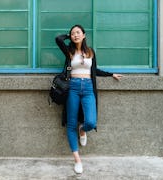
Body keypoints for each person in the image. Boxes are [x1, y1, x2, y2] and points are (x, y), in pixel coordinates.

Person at [55, 24, 123, 174]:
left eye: (78, 33)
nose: (75, 35)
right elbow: (58, 39)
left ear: (84, 35)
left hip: (87, 88)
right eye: (73, 33)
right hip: (72, 87)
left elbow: (94, 70)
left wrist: (110, 74)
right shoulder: (69, 52)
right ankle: (77, 160)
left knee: (91, 122)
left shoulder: (90, 52)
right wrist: (68, 37)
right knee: (71, 123)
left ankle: (82, 129)